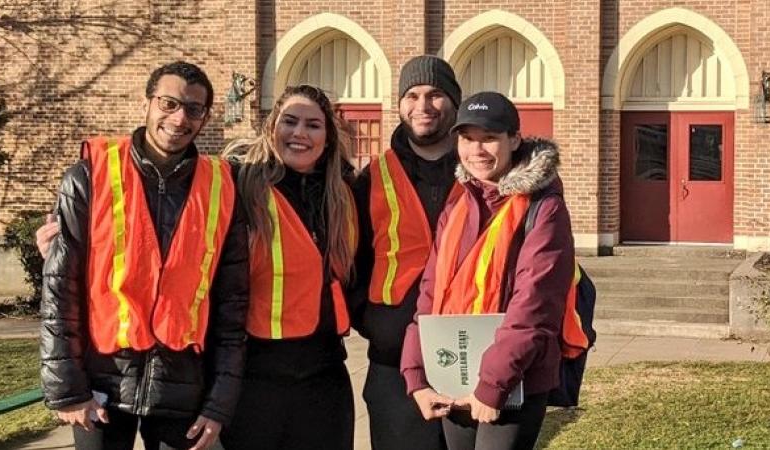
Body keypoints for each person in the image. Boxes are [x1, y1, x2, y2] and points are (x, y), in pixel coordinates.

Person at [40, 61, 248, 450]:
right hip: (100, 381)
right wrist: (67, 388)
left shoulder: (222, 188)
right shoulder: (89, 176)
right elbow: (60, 289)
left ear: (204, 118)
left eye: (193, 109)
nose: (179, 118)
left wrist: (219, 405)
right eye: (168, 103)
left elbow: (231, 305)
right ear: (148, 104)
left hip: (182, 385)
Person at [401, 91, 575, 450]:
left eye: (489, 138)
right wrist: (417, 376)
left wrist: (492, 384)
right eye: (467, 139)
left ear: (514, 140)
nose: (476, 150)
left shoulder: (545, 208)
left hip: (515, 380)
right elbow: (431, 294)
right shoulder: (459, 203)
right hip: (454, 370)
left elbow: (534, 306)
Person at [217, 84, 362, 450]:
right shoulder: (235, 185)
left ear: (327, 138)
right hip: (256, 375)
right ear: (271, 128)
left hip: (324, 372)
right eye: (290, 122)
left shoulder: (345, 193)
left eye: (313, 125)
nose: (299, 133)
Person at [350, 55, 462, 450]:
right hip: (393, 362)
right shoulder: (371, 178)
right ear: (399, 104)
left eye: (435, 95)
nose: (423, 106)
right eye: (412, 95)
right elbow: (352, 259)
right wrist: (375, 320)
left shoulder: (483, 172)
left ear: (455, 102)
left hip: (469, 357)